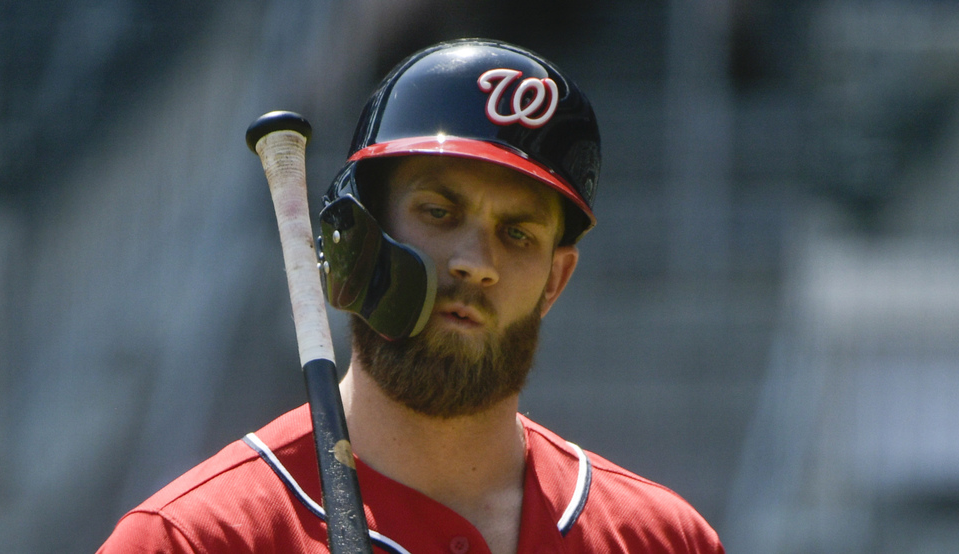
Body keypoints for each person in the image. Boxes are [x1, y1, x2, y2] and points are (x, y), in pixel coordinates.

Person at [98, 39, 724, 553]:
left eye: (516, 234)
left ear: (555, 281)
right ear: (356, 236)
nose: (477, 263)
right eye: (439, 211)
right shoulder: (192, 540)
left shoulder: (662, 540)